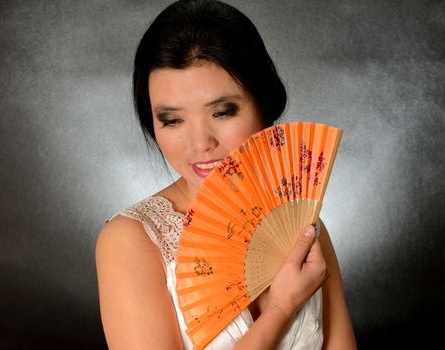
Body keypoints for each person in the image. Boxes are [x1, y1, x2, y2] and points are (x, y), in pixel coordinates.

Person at [95, 0, 357, 349]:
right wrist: (280, 308)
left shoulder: (302, 223)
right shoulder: (132, 241)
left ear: (265, 104)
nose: (201, 143)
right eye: (172, 120)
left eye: (223, 112)